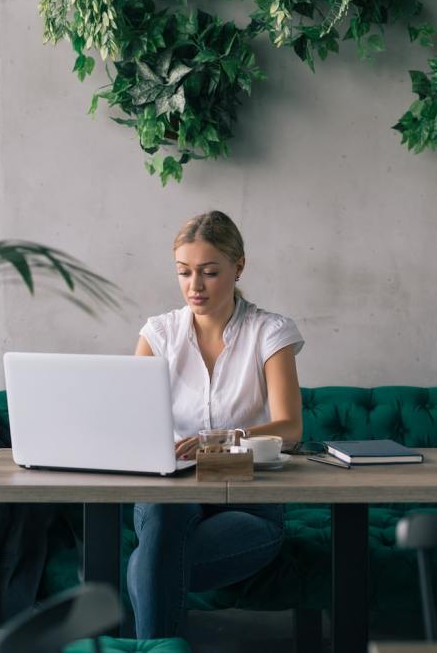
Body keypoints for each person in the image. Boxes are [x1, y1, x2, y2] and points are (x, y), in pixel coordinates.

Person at [128, 210, 304, 639]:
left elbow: (290, 428)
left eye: (209, 272)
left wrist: (217, 442)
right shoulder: (159, 333)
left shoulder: (269, 332)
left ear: (238, 267)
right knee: (164, 524)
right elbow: (129, 419)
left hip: (246, 496)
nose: (195, 286)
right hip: (169, 491)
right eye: (184, 273)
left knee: (145, 563)